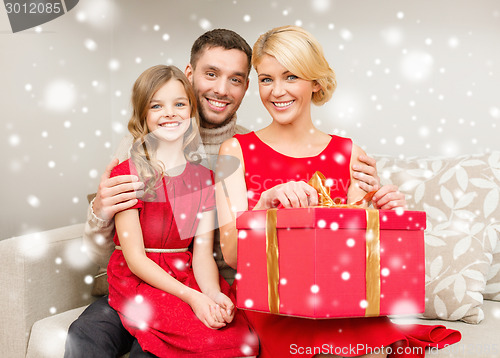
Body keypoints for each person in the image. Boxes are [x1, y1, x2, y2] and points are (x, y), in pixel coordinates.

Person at [65, 29, 381, 357]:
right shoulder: (141, 148)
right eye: (211, 74)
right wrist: (100, 212)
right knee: (87, 334)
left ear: (246, 86)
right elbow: (105, 253)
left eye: (236, 79)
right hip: (142, 281)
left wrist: (373, 203)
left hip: (207, 285)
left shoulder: (243, 149)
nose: (221, 89)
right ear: (189, 76)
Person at [216, 25, 460, 358]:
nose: (276, 91)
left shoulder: (349, 154)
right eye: (266, 79)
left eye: (291, 77)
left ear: (315, 82)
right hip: (272, 305)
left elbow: (358, 260)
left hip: (337, 303)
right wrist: (263, 204)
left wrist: (385, 218)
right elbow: (231, 255)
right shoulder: (235, 151)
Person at [106, 64, 258, 357]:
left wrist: (211, 294)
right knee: (201, 337)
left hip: (184, 274)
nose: (170, 113)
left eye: (179, 104)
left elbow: (201, 255)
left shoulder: (202, 178)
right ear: (143, 115)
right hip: (138, 277)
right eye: (157, 106)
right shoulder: (127, 174)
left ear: (191, 112)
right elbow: (135, 259)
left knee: (239, 339)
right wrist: (194, 299)